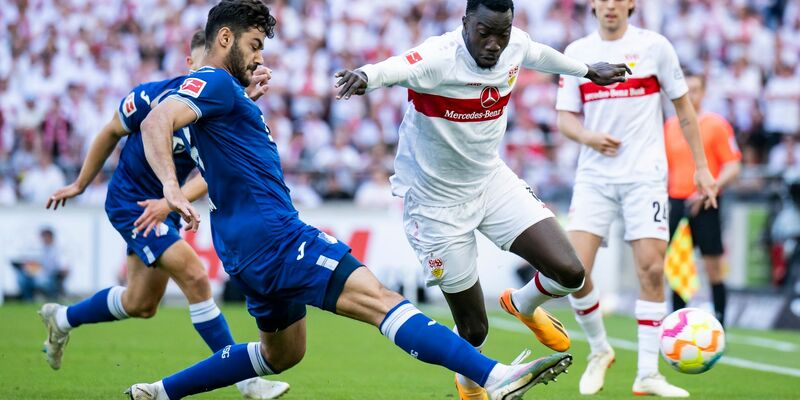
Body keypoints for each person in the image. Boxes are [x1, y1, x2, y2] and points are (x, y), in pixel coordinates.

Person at [131, 1, 573, 399]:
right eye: (254, 44)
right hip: (276, 237)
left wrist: (243, 100)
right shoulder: (213, 83)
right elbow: (157, 121)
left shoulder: (221, 96)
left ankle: (161, 392)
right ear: (224, 38)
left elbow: (209, 137)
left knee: (281, 354)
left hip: (241, 246)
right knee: (380, 299)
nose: (260, 56)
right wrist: (170, 188)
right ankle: (494, 377)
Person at [335, 0, 630, 398]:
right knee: (474, 330)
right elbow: (398, 66)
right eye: (484, 33)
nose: (494, 44)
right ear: (465, 24)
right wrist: (365, 76)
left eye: (502, 34)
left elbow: (539, 54)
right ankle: (471, 387)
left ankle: (522, 304)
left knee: (571, 272)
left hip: (490, 181)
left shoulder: (513, 46)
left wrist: (588, 70)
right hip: (435, 205)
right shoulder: (439, 58)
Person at [39, 30, 288, 399]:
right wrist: (80, 183)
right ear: (190, 64)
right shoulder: (151, 96)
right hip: (132, 203)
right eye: (204, 68)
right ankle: (246, 381)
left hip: (165, 207)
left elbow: (212, 173)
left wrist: (170, 201)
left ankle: (61, 318)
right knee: (195, 276)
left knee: (140, 303)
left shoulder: (220, 104)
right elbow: (110, 132)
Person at [555, 0, 718, 397]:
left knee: (650, 269)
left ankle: (647, 373)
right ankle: (599, 349)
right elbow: (565, 119)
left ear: (632, 4)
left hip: (645, 177)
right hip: (594, 176)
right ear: (593, 4)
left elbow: (683, 110)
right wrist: (590, 137)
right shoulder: (576, 53)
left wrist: (701, 168)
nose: (610, 5)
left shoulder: (656, 47)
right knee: (572, 271)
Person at [665, 71, 741, 325]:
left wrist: (711, 187)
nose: (690, 94)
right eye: (686, 89)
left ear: (704, 92)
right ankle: (676, 324)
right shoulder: (670, 126)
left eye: (695, 89)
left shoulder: (716, 125)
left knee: (713, 267)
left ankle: (719, 322)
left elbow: (733, 165)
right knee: (678, 267)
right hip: (676, 201)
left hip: (707, 202)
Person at [15, 227, 69, 301]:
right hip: (35, 276)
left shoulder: (58, 250)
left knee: (47, 282)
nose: (44, 239)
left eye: (46, 236)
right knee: (22, 278)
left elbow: (63, 266)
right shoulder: (37, 249)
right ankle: (28, 301)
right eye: (43, 236)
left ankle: (51, 298)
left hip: (50, 277)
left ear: (51, 237)